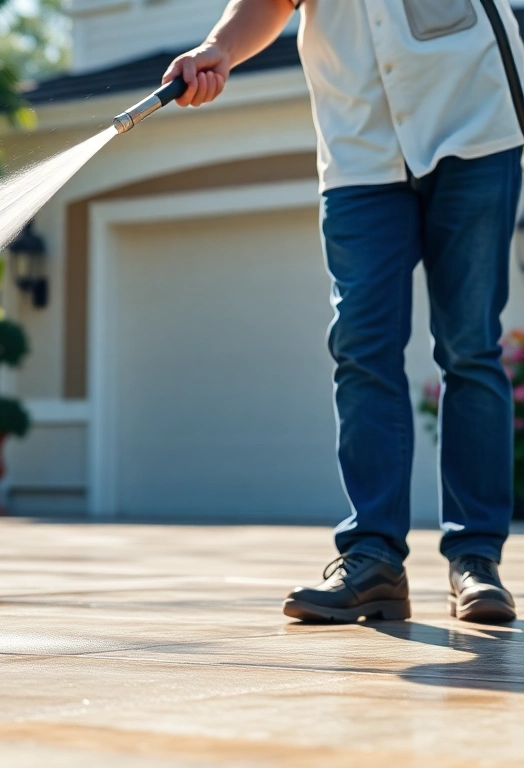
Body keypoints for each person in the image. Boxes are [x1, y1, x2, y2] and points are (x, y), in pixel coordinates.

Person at [167, 0, 523, 623]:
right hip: (360, 145)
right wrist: (218, 48)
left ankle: (476, 559)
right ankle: (373, 559)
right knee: (362, 347)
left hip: (474, 115)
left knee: (469, 346)